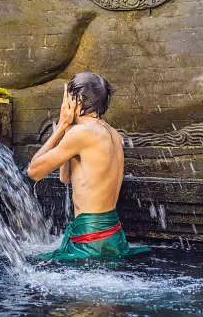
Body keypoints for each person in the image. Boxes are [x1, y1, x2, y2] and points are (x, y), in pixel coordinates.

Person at [27, 72, 149, 261]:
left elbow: (33, 172)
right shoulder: (112, 132)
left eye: (67, 97)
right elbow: (65, 178)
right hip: (112, 234)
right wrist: (68, 129)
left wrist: (60, 127)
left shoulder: (82, 133)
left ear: (76, 100)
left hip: (90, 239)